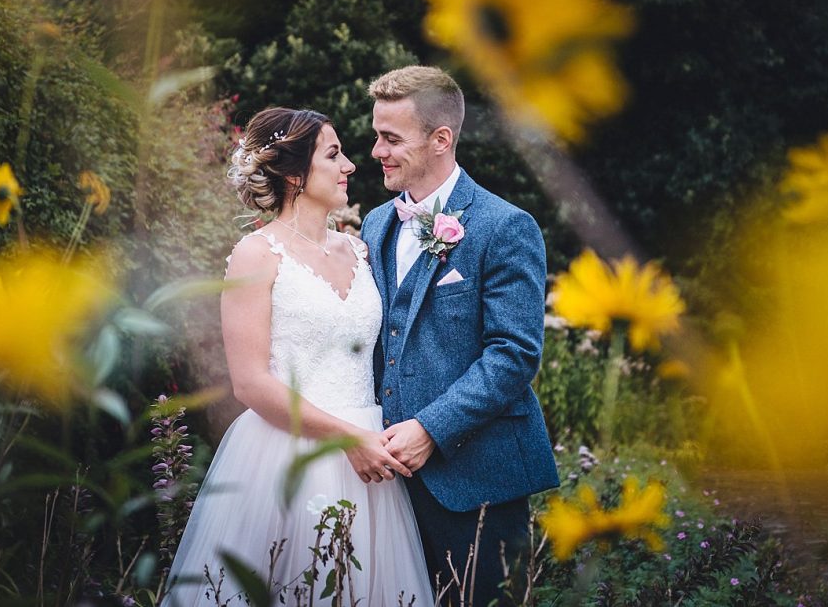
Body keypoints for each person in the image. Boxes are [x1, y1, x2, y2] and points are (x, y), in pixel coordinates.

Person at [164, 107, 433, 606]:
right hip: (289, 450)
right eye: (334, 155)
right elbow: (249, 383)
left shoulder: (361, 250)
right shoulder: (256, 253)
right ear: (293, 174)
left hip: (371, 457)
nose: (350, 165)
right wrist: (346, 437)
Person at [361, 66, 560, 606]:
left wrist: (430, 428)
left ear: (441, 139)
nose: (376, 150)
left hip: (478, 479)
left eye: (391, 138)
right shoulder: (376, 223)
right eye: (376, 134)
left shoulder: (504, 226)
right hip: (386, 482)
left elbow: (514, 354)